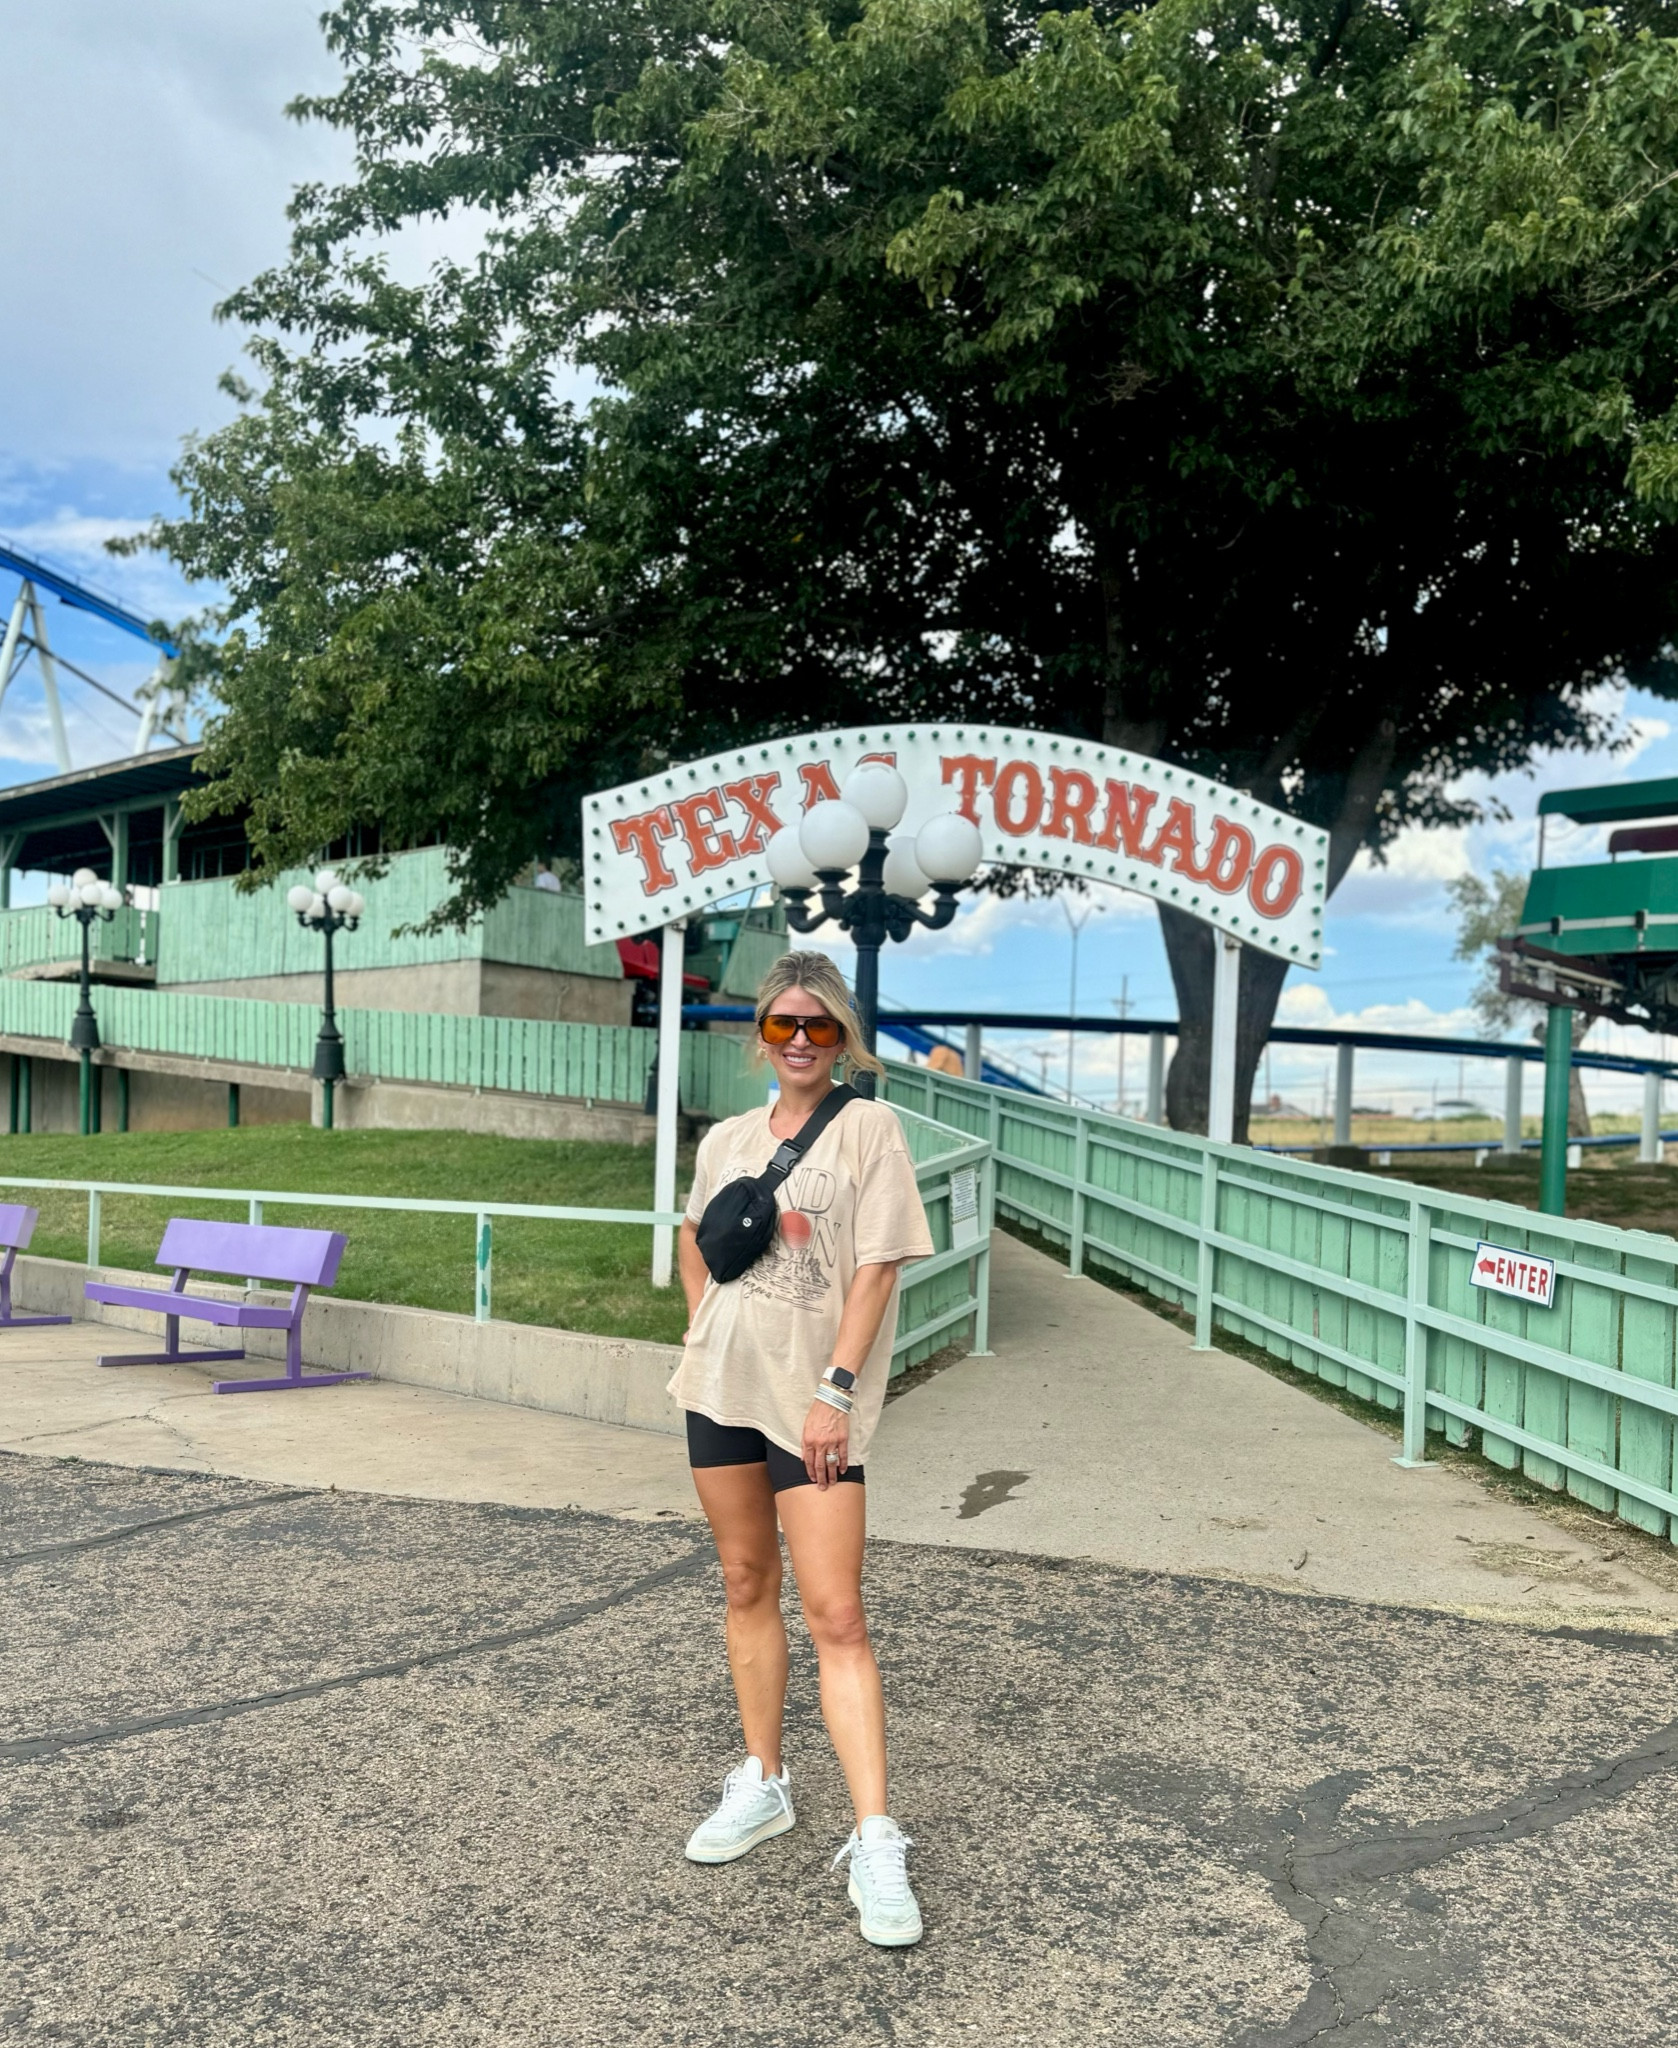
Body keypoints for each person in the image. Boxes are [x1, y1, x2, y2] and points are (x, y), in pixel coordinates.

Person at [673, 951, 934, 1947]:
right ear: (759, 1034)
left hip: (811, 1405)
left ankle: (875, 1835)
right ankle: (765, 1780)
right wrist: (703, 1333)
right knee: (745, 1577)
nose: (798, 1042)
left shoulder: (869, 1126)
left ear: (841, 1036)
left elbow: (874, 1269)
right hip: (720, 1393)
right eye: (783, 1025)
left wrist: (835, 1387)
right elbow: (695, 1237)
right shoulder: (728, 1137)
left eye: (817, 1026)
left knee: (836, 1610)